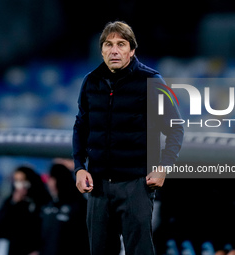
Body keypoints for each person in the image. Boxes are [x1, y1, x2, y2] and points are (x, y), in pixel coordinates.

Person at [72, 21, 184, 255]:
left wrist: (164, 167)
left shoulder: (152, 81)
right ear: (101, 50)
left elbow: (175, 127)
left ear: (132, 50)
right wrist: (79, 167)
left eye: (121, 44)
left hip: (136, 185)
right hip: (99, 187)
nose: (114, 50)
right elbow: (81, 126)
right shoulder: (90, 82)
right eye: (108, 44)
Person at [0, 165, 50, 255]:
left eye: (23, 180)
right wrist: (14, 203)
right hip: (16, 248)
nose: (20, 185)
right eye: (17, 181)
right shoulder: (11, 201)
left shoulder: (42, 200)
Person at [39, 162, 89, 255]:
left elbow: (82, 238)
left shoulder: (78, 205)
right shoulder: (48, 204)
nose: (49, 182)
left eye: (51, 179)